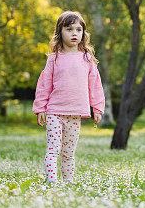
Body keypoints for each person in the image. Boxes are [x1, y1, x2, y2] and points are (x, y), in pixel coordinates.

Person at [32, 11, 105, 185]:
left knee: (68, 152)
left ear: (83, 34)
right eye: (69, 29)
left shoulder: (87, 59)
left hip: (75, 113)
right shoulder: (54, 59)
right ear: (60, 32)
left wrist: (97, 108)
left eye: (78, 30)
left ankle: (68, 183)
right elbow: (44, 85)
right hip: (54, 112)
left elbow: (95, 85)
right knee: (53, 149)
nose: (74, 33)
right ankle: (52, 182)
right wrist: (40, 108)